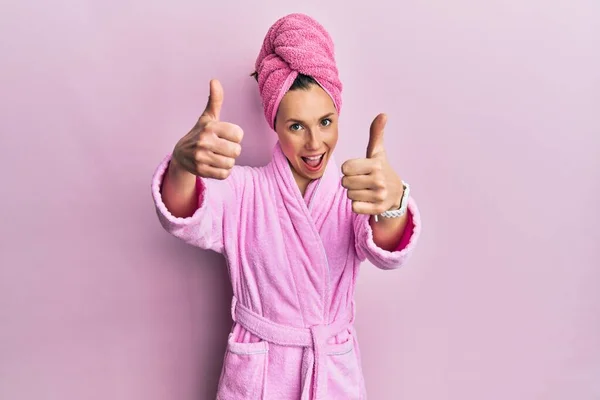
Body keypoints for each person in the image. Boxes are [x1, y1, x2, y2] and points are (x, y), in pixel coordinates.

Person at [151, 13, 421, 400]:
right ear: (274, 124)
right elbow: (183, 216)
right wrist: (181, 165)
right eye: (296, 126)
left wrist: (393, 203)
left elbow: (387, 252)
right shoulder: (244, 191)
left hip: (331, 371)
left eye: (325, 122)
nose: (314, 143)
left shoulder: (353, 191)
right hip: (260, 374)